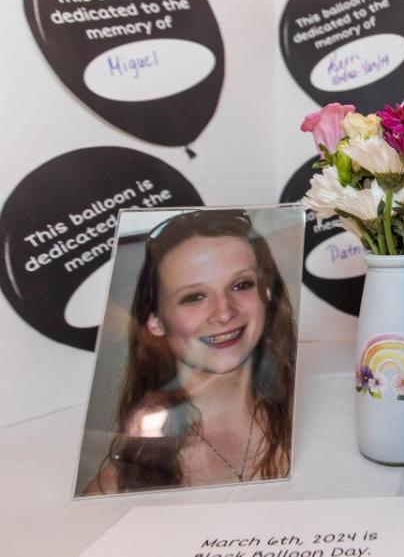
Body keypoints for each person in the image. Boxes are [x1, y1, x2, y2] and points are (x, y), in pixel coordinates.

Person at [84, 209, 297, 495]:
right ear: (155, 320)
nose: (224, 313)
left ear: (267, 294)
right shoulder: (121, 482)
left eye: (241, 285)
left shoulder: (314, 419)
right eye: (194, 297)